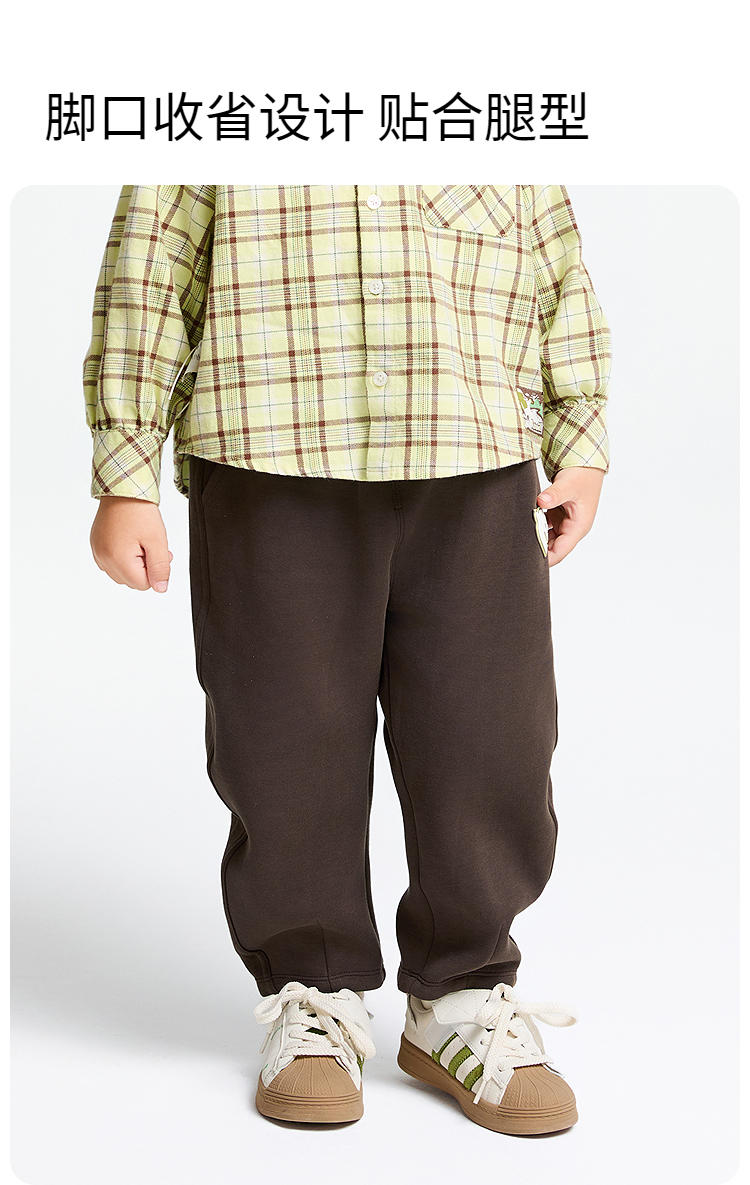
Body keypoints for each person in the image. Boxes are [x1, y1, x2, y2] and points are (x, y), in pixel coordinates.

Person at [84, 185, 610, 1135]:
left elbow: (555, 263)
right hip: (269, 449)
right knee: (283, 740)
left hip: (471, 448)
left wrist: (580, 434)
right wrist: (127, 472)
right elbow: (152, 263)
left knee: (490, 733)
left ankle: (460, 992)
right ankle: (313, 989)